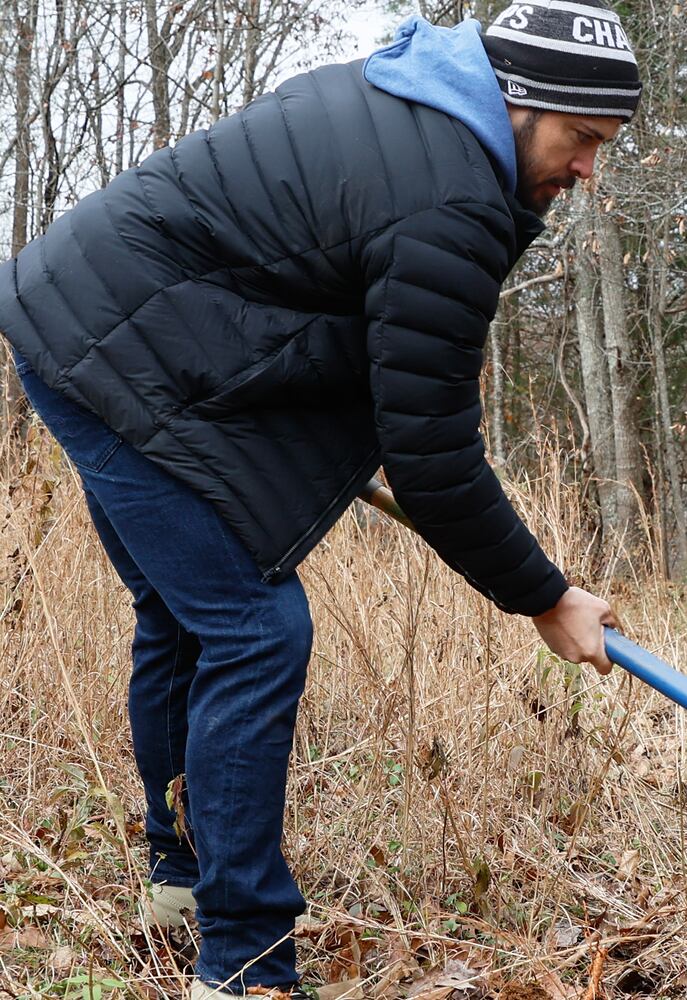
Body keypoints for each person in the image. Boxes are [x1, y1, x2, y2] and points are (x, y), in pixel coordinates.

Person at [0, 3, 640, 995]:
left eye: (604, 146)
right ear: (516, 103)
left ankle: (181, 881)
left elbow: (324, 305)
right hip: (114, 353)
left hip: (84, 316)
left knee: (188, 610)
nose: (588, 171)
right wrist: (546, 597)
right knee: (254, 627)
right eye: (580, 139)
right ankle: (246, 961)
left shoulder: (411, 104)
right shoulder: (452, 198)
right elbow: (435, 456)